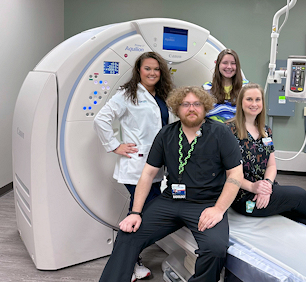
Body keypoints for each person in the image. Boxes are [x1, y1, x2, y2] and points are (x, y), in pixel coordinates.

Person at [98, 86, 244, 282]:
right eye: (186, 104)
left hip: (206, 203)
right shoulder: (166, 134)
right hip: (171, 201)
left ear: (205, 107)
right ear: (177, 108)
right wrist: (135, 212)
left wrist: (218, 209)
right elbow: (148, 173)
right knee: (128, 236)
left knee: (215, 249)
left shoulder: (220, 133)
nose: (191, 108)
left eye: (196, 104)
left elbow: (235, 173)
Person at [226, 83, 306, 242]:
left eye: (258, 99)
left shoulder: (266, 131)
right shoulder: (229, 131)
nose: (254, 103)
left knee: (302, 217)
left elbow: (271, 165)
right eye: (249, 99)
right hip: (244, 197)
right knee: (301, 196)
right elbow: (227, 173)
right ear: (241, 102)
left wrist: (267, 185)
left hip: (266, 190)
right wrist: (253, 187)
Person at [94, 51, 174, 281]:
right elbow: (101, 119)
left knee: (140, 214)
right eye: (147, 68)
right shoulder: (127, 94)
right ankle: (127, 264)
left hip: (157, 167)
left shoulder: (162, 95)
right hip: (137, 166)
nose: (152, 72)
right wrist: (114, 146)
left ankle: (131, 261)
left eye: (156, 69)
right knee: (140, 215)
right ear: (139, 70)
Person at [203, 48, 249, 123]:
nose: (229, 67)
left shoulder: (246, 87)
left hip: (238, 131)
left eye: (233, 63)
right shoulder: (207, 88)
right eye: (225, 63)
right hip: (214, 131)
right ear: (218, 65)